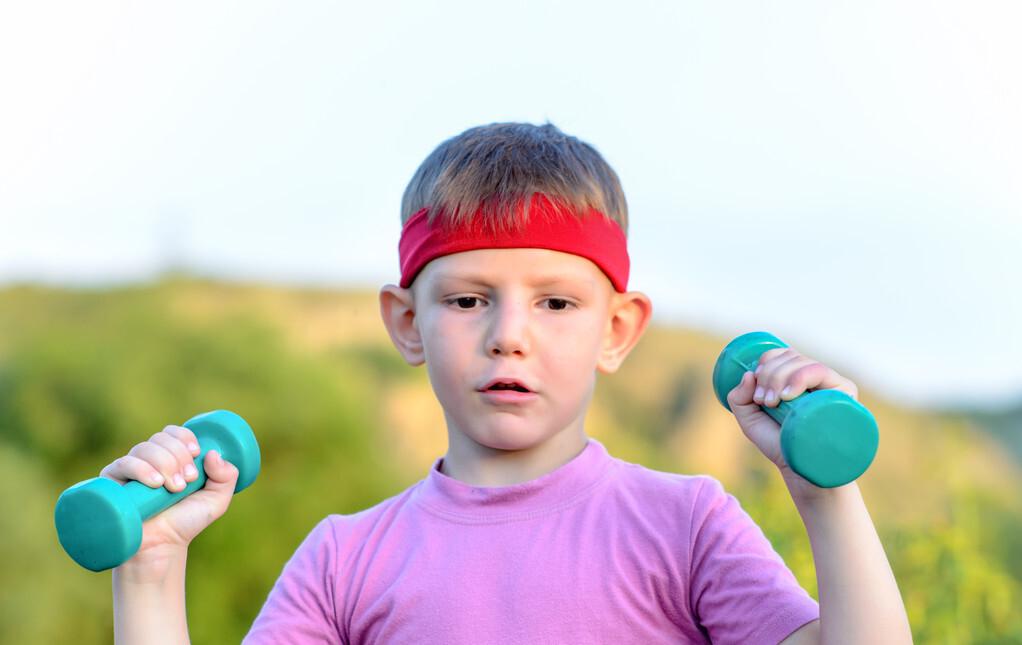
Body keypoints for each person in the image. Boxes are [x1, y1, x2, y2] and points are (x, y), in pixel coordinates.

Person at [104, 122, 912, 644]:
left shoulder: (686, 525)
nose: (509, 335)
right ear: (408, 322)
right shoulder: (344, 562)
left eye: (556, 302)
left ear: (618, 328)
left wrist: (825, 497)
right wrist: (149, 570)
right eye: (467, 300)